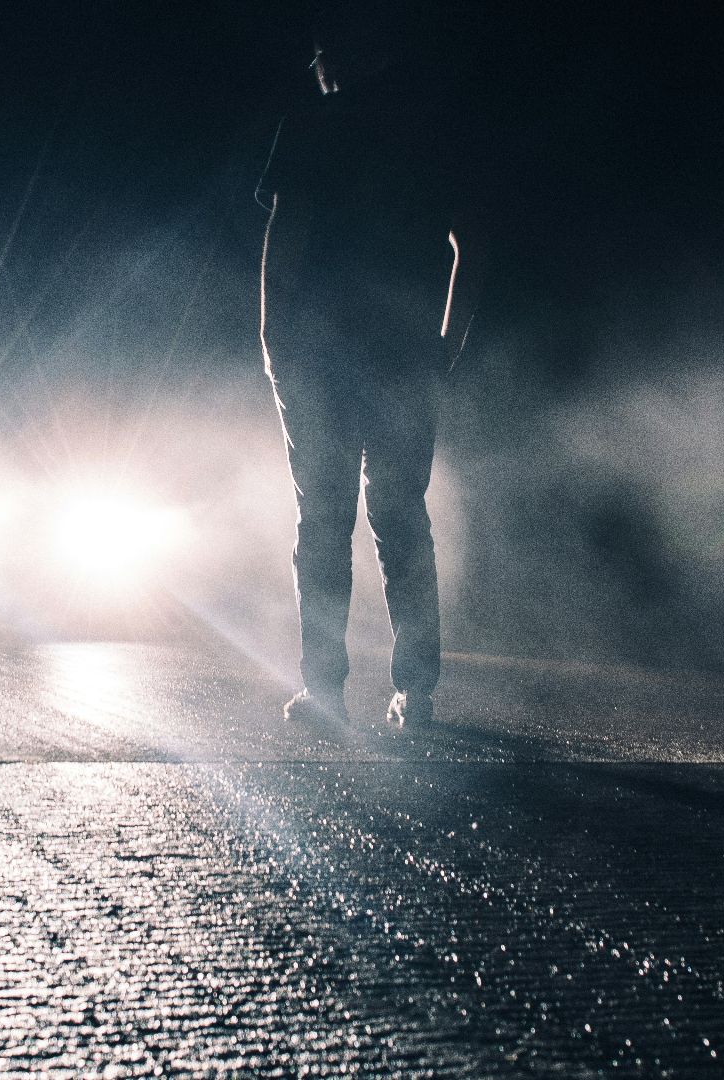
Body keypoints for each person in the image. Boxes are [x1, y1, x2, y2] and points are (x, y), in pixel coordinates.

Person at [257, 7, 482, 729]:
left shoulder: (313, 125)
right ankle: (416, 692)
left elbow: (284, 241)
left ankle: (325, 691)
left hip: (321, 355)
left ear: (337, 56)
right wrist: (447, 343)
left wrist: (274, 340)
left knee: (323, 521)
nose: (316, 66)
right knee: (401, 520)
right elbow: (471, 246)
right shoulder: (436, 132)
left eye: (321, 52)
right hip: (405, 357)